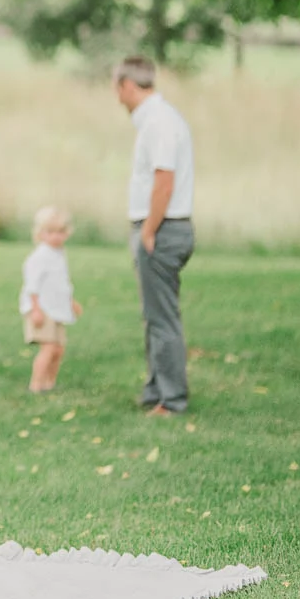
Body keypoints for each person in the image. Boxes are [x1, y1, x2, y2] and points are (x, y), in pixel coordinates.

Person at [114, 55, 195, 416]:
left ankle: (172, 400)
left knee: (162, 319)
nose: (117, 96)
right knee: (155, 315)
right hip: (162, 227)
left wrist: (148, 230)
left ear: (127, 86)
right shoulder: (156, 120)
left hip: (162, 229)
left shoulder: (159, 123)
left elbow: (164, 181)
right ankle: (155, 390)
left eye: (118, 88)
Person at [19, 206, 82, 393]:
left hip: (57, 309)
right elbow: (32, 286)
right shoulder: (39, 257)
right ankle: (36, 384)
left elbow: (60, 283)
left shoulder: (59, 254)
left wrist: (70, 302)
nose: (56, 236)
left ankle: (50, 382)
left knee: (58, 349)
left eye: (61, 232)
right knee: (48, 348)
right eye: (50, 232)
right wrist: (35, 309)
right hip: (42, 309)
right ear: (40, 233)